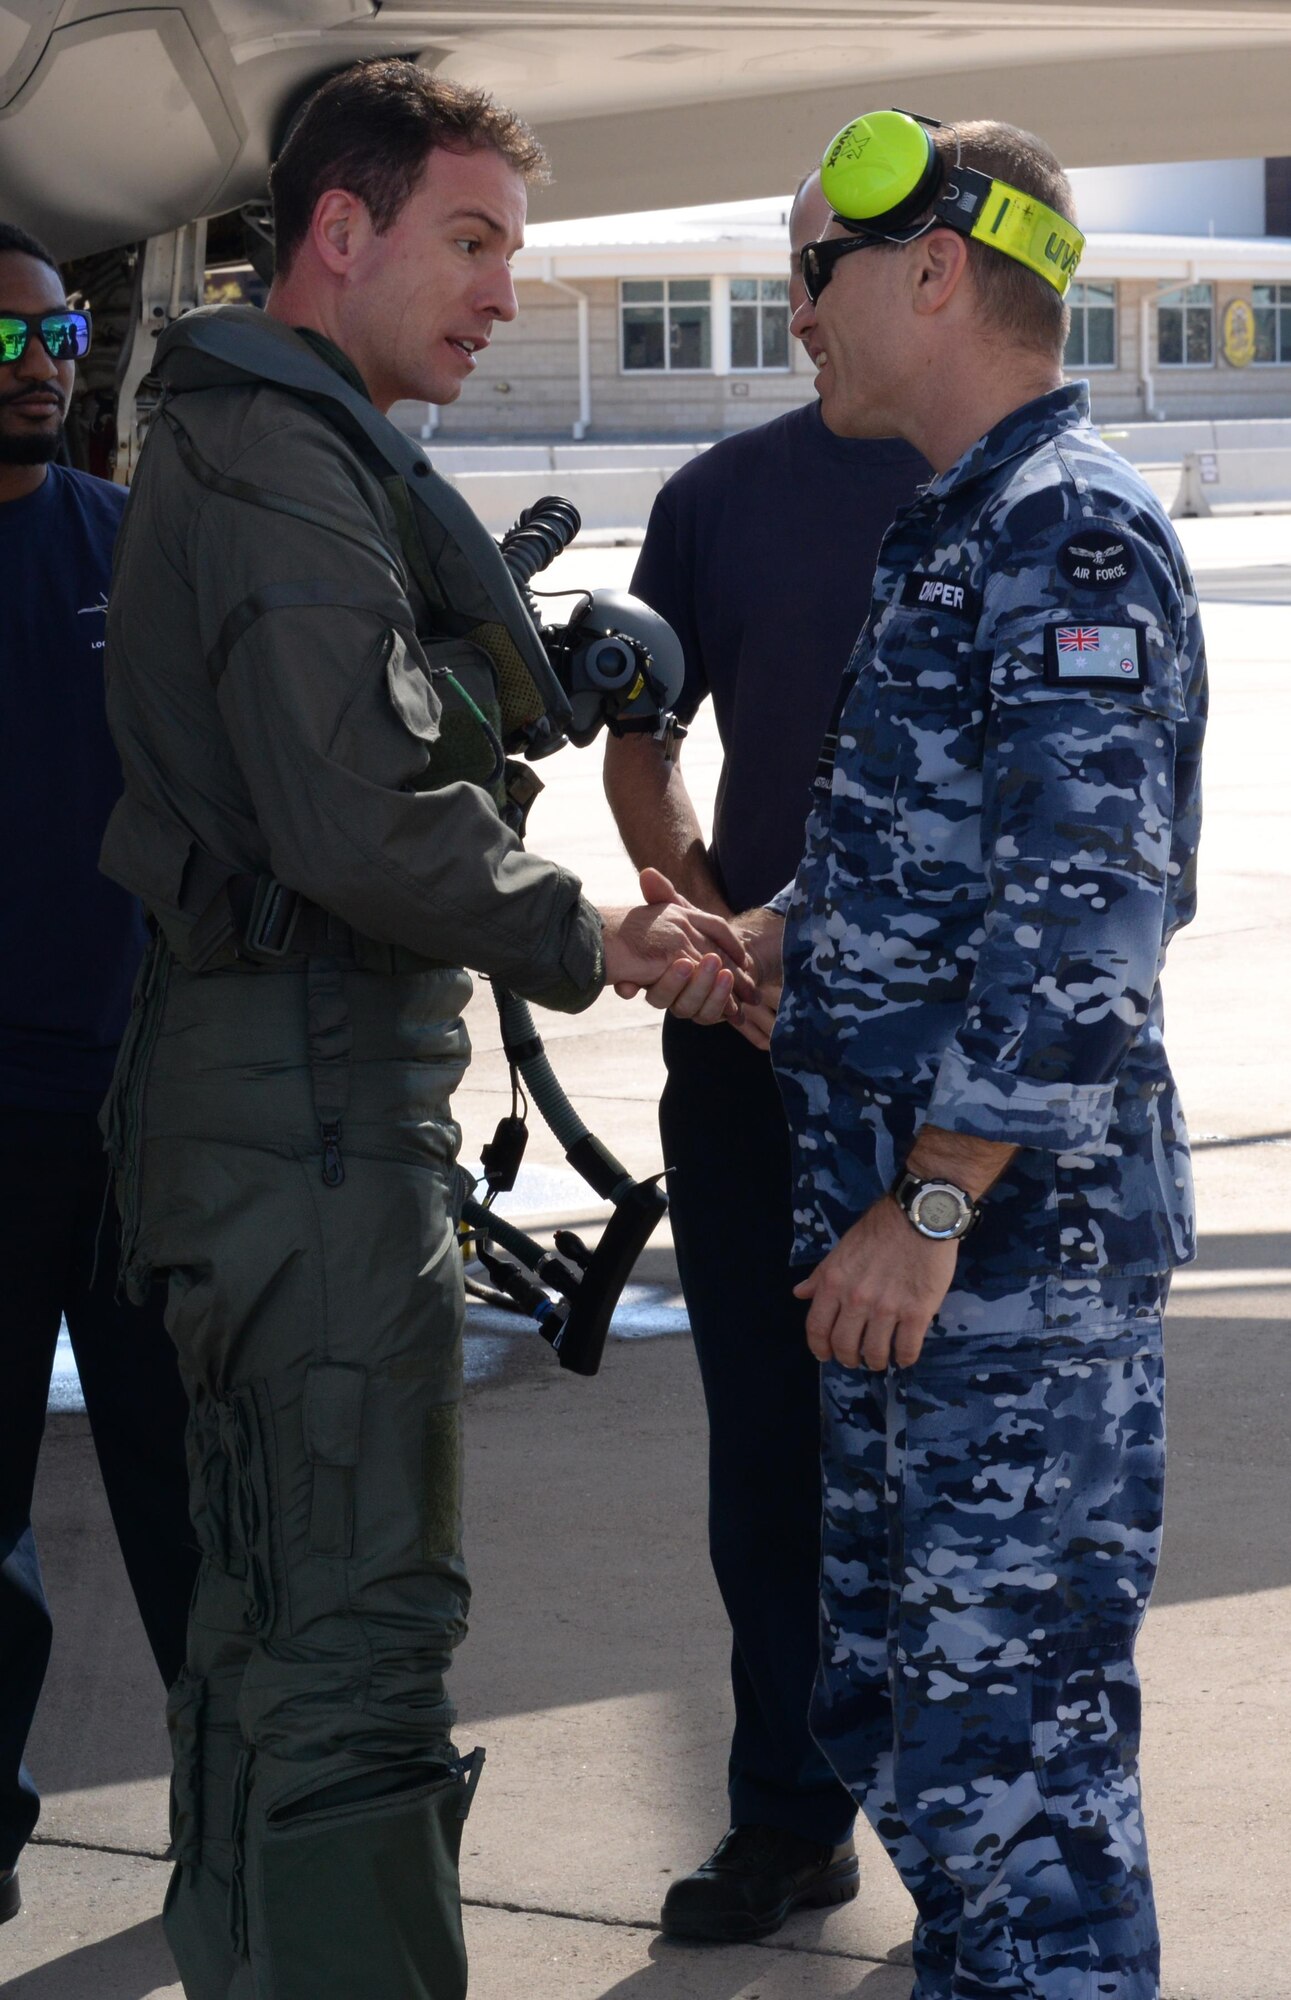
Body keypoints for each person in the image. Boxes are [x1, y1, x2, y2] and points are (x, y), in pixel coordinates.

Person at [98, 59, 752, 2000]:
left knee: (263, 1619)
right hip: (301, 1129)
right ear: (339, 233)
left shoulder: (262, 445)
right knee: (356, 1638)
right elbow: (351, 817)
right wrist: (599, 936)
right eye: (468, 242)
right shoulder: (288, 469)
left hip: (259, 1110)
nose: (498, 290)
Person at [664, 110, 1204, 2000]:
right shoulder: (963, 527)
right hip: (918, 1277)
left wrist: (933, 1198)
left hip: (1001, 1281)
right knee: (918, 1731)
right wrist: (769, 942)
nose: (795, 310)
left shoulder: (1070, 536)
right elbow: (936, 854)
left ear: (932, 270)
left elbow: (1087, 930)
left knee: (1021, 1782)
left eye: (814, 269)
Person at [604, 174, 928, 1942]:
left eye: (827, 265)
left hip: (944, 1080)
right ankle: (788, 1811)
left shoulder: (1010, 505)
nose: (804, 298)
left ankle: (987, 1852)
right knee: (773, 1460)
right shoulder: (716, 497)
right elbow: (643, 754)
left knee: (966, 1470)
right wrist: (717, 944)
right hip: (747, 1055)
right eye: (794, 266)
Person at [0, 225, 198, 1928]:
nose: (38, 359)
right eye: (8, 334)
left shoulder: (125, 548)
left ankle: (233, 1831)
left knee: (187, 1501)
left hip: (135, 1121)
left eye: (56, 327)